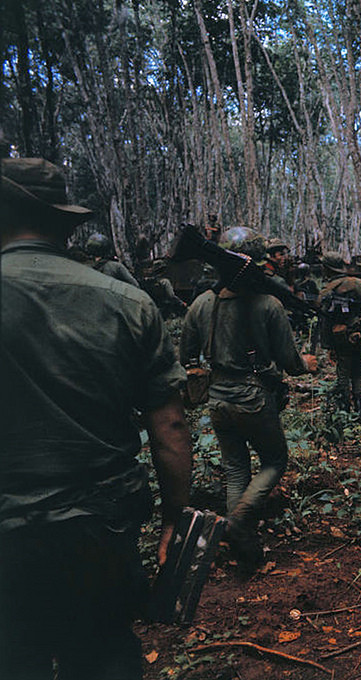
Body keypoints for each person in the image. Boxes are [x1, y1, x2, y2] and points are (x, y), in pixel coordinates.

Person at [1, 158, 192, 678]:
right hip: (99, 529)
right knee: (104, 653)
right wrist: (174, 520)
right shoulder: (126, 303)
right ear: (65, 224)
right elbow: (170, 425)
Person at [180, 226, 313, 569]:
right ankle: (239, 525)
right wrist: (307, 363)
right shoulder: (268, 305)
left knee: (236, 467)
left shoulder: (200, 304)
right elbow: (291, 364)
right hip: (253, 398)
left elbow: (186, 356)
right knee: (274, 461)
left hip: (218, 400)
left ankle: (237, 539)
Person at [319, 252, 361, 420]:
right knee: (358, 372)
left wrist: (328, 346)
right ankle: (359, 408)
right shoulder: (359, 284)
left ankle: (346, 410)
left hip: (340, 338)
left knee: (343, 373)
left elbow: (324, 321)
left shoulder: (327, 290)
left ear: (328, 269)